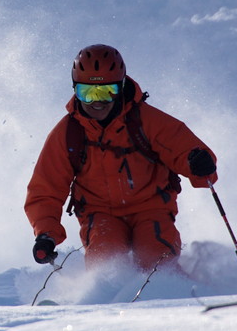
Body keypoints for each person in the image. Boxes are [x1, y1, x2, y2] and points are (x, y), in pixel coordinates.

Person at [24, 44, 218, 271]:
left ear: (122, 86)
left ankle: (172, 297)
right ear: (75, 90)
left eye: (107, 92)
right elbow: (46, 188)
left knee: (156, 258)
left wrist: (199, 164)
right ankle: (103, 301)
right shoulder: (68, 133)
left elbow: (185, 149)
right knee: (105, 260)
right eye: (87, 93)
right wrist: (46, 234)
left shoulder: (146, 121)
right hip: (100, 214)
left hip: (151, 207)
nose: (97, 102)